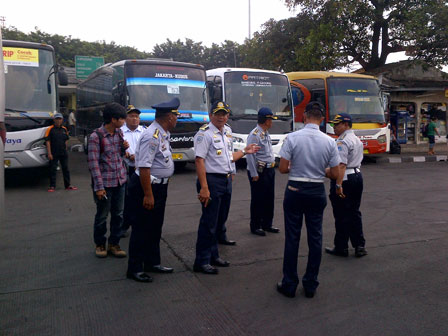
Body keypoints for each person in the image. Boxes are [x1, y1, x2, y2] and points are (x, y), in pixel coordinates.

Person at [276, 102, 340, 299]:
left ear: (304, 117)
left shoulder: (292, 138)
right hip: (316, 190)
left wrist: (297, 166)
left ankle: (289, 284)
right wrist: (323, 170)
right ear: (321, 120)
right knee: (315, 238)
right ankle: (311, 284)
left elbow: (283, 168)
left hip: (295, 188)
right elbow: (336, 173)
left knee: (292, 237)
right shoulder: (329, 141)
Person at [193, 101, 260, 275]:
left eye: (224, 114)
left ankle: (213, 255)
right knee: (209, 223)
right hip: (211, 181)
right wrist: (204, 188)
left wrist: (245, 151)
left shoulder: (227, 132)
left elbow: (229, 156)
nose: (222, 117)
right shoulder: (204, 134)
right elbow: (199, 160)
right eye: (218, 113)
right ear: (211, 116)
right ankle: (201, 261)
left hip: (225, 180)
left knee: (219, 220)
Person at [126, 98, 180, 283]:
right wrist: (148, 194)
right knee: (141, 228)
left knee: (155, 227)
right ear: (169, 117)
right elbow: (144, 167)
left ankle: (152, 262)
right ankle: (135, 268)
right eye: (175, 116)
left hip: (159, 187)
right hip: (147, 187)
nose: (177, 119)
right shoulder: (152, 135)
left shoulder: (163, 133)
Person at [88, 103, 129, 259]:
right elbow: (94, 164)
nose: (124, 122)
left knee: (118, 215)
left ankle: (114, 244)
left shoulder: (118, 133)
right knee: (102, 216)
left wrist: (124, 148)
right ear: (113, 119)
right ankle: (100, 244)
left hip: (120, 181)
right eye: (122, 119)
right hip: (105, 184)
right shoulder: (96, 137)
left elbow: (119, 156)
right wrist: (99, 187)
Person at [325, 113, 367, 258]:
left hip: (345, 178)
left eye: (337, 124)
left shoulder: (342, 142)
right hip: (357, 175)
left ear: (346, 125)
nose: (334, 127)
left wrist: (338, 185)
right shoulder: (356, 139)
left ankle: (341, 247)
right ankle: (359, 246)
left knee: (341, 213)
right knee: (354, 212)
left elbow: (341, 166)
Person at [246, 107, 280, 236]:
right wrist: (254, 173)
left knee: (269, 198)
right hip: (259, 171)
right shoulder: (254, 135)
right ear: (265, 120)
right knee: (258, 199)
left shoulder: (265, 133)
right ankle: (255, 225)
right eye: (270, 119)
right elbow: (250, 155)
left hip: (269, 169)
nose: (272, 122)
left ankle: (267, 224)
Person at [120, 105, 146, 237]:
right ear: (126, 118)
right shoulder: (120, 132)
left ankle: (139, 224)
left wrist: (138, 156)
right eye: (131, 116)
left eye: (137, 116)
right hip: (126, 169)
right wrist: (127, 154)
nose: (135, 119)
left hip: (141, 169)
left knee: (141, 197)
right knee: (127, 199)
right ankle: (124, 225)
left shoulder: (144, 131)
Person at [45, 113, 77, 192]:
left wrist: (65, 149)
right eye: (57, 119)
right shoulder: (50, 129)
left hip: (63, 152)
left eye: (60, 119)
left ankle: (68, 185)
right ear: (54, 120)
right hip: (54, 153)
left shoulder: (64, 129)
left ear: (62, 120)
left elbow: (66, 140)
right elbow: (48, 142)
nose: (58, 121)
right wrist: (49, 153)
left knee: (66, 169)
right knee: (53, 169)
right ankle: (52, 186)